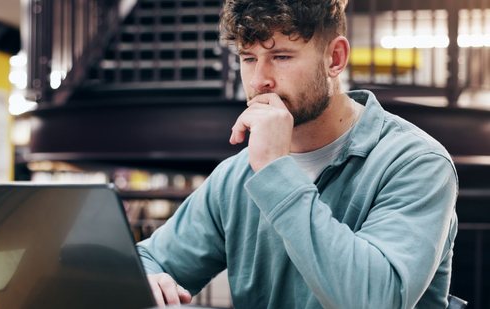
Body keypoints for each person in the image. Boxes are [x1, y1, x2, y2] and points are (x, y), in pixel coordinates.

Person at [137, 0, 458, 308]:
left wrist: (276, 170)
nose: (260, 79)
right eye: (248, 58)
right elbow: (149, 258)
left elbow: (373, 300)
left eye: (281, 56)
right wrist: (146, 279)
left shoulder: (416, 163)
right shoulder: (235, 176)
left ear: (335, 58)